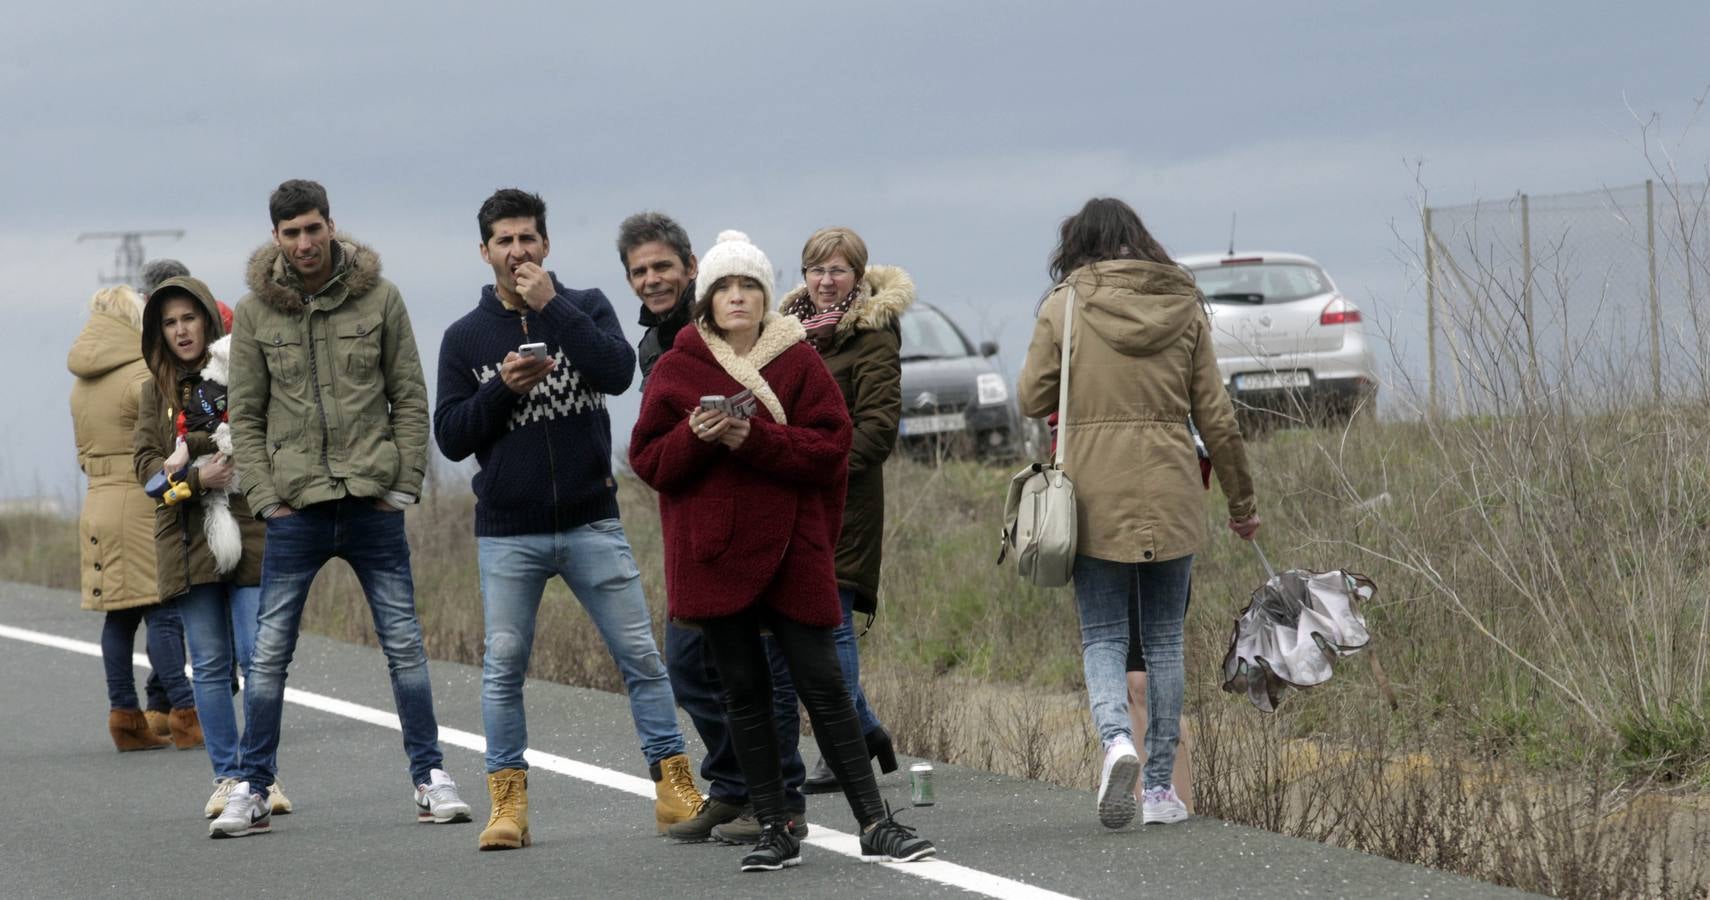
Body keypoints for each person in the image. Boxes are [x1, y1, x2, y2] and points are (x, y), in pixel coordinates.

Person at [630, 230, 935, 873]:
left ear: (766, 296)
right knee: (742, 692)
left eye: (748, 286)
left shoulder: (797, 361)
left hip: (793, 547)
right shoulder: (678, 367)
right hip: (714, 553)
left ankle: (876, 823)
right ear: (705, 297)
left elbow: (831, 447)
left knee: (824, 686)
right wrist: (695, 435)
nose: (736, 297)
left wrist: (753, 438)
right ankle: (774, 827)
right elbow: (650, 461)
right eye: (724, 287)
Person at [434, 190, 702, 852]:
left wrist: (552, 304)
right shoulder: (464, 337)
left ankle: (674, 789)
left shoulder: (583, 307)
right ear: (485, 251)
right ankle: (509, 805)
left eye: (528, 239)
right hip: (508, 532)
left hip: (591, 521)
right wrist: (503, 388)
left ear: (545, 245)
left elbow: (616, 371)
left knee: (641, 655)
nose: (517, 252)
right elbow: (451, 435)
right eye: (505, 241)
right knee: (503, 665)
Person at [212, 179, 470, 838]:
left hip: (372, 505)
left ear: (331, 225)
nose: (304, 242)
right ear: (276, 236)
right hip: (296, 509)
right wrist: (267, 500)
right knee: (268, 656)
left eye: (313, 228)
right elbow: (246, 416)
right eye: (291, 232)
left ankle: (430, 778)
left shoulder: (379, 298)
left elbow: (409, 395)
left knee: (405, 647)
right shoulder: (255, 314)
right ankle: (252, 786)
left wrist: (403, 485)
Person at [1017, 197, 1259, 830]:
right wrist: (1243, 503)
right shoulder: (1183, 306)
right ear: (1140, 240)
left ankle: (1116, 741)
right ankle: (1158, 790)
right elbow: (1218, 419)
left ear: (1075, 247)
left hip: (1093, 492)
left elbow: (1030, 396)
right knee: (1165, 639)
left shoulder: (1065, 304)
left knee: (1102, 635)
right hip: (1174, 486)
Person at [616, 211, 781, 843]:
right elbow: (654, 447)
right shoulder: (655, 342)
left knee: (751, 668)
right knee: (695, 666)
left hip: (741, 524)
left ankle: (770, 794)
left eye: (663, 267)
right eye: (639, 271)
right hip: (691, 528)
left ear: (692, 269)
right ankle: (740, 788)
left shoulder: (712, 329)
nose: (653, 279)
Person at [134, 274, 293, 820]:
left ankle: (261, 776)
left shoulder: (239, 373)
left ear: (208, 319)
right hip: (184, 540)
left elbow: (269, 437)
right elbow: (148, 474)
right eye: (170, 322)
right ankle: (227, 778)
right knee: (207, 662)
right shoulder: (149, 391)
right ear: (159, 331)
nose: (181, 330)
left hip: (249, 528)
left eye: (189, 318)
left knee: (259, 657)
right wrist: (200, 481)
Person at [774, 226, 908, 795]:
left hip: (847, 499)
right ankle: (867, 732)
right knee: (801, 626)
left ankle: (844, 745)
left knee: (833, 623)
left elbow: (878, 428)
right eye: (816, 270)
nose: (826, 282)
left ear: (858, 275)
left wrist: (818, 462)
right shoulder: (785, 337)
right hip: (794, 501)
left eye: (838, 271)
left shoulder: (874, 335)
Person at [68, 283, 197, 752]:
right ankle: (185, 712)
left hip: (96, 503)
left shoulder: (81, 385)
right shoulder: (141, 376)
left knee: (119, 617)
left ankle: (125, 716)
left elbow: (84, 455)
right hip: (138, 502)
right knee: (162, 609)